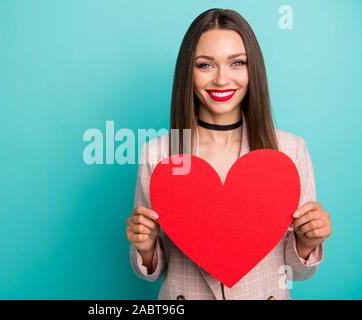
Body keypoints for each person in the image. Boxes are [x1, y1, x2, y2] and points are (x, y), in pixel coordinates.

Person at [126, 8, 332, 300]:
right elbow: (153, 270)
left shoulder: (290, 150)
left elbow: (297, 271)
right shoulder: (158, 154)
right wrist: (145, 247)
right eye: (205, 65)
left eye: (237, 63)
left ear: (253, 69)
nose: (222, 80)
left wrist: (308, 241)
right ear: (188, 71)